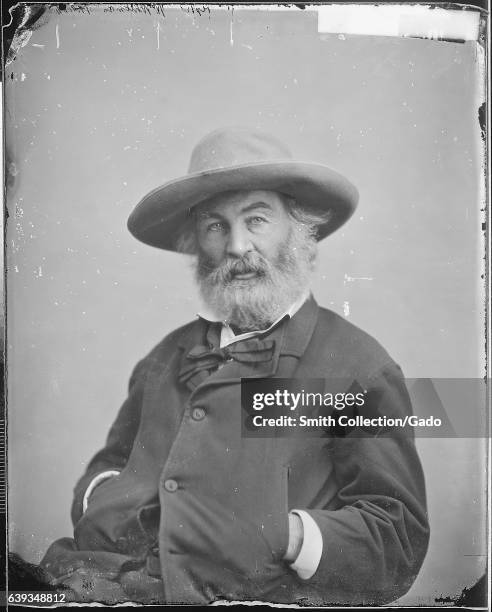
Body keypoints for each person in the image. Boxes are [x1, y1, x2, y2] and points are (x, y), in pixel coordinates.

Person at [40, 127, 429, 605]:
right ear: (197, 245)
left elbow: (397, 536)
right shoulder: (165, 357)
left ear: (300, 232)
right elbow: (110, 466)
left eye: (257, 220)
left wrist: (284, 534)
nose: (237, 246)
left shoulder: (361, 366)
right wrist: (113, 503)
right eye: (215, 226)